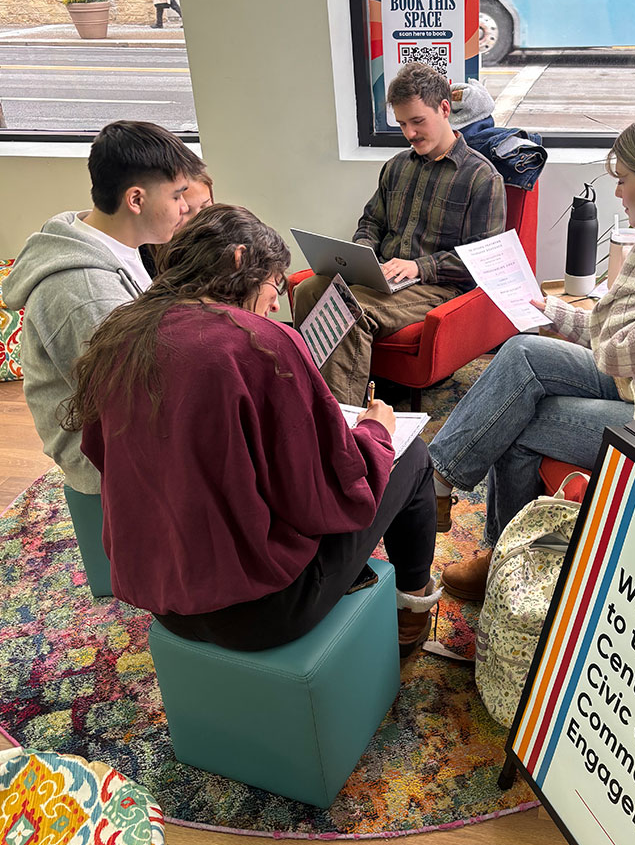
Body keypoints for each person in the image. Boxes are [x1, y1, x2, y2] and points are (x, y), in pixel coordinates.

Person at [64, 205, 441, 657]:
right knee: (414, 457)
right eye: (274, 285)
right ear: (241, 260)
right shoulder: (258, 343)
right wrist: (375, 435)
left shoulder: (120, 334)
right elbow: (327, 500)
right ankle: (413, 611)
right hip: (264, 611)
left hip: (164, 599)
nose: (277, 303)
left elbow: (106, 454)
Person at [428, 111, 635, 603]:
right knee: (524, 351)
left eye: (625, 181)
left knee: (519, 423)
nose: (617, 193)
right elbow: (625, 336)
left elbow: (616, 352)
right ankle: (442, 479)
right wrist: (559, 316)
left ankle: (500, 558)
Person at [4, 120, 204, 496]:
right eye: (178, 196)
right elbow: (128, 405)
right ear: (136, 200)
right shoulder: (85, 292)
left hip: (129, 424)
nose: (185, 208)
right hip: (107, 460)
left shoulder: (105, 239)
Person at [291, 63, 506, 404]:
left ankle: (343, 420)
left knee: (348, 306)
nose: (410, 133)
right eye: (403, 124)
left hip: (436, 288)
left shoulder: (482, 178)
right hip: (383, 277)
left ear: (445, 109)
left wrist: (419, 267)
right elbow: (371, 223)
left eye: (418, 121)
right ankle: (314, 399)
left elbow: (484, 260)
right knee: (308, 289)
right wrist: (360, 255)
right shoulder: (397, 167)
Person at [140, 166, 214, 276]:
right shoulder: (140, 260)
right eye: (185, 211)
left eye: (205, 206)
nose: (199, 220)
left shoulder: (223, 247)